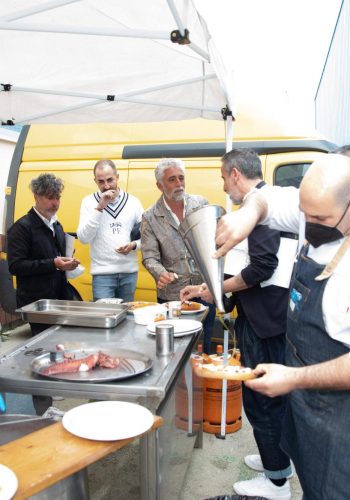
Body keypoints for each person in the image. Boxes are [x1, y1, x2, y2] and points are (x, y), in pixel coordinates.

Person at [214, 152, 350, 500]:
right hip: (304, 403)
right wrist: (248, 215)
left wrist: (293, 378)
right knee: (308, 476)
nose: (309, 224)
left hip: (338, 421)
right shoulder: (311, 210)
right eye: (306, 214)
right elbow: (266, 198)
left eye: (321, 217)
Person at [181, 149, 293, 500]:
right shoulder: (267, 202)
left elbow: (261, 268)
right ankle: (276, 462)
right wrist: (207, 289)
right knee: (268, 397)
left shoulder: (257, 207)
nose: (223, 185)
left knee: (261, 398)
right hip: (268, 316)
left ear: (233, 174)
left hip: (265, 321)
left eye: (222, 177)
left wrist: (215, 289)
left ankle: (276, 482)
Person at [7, 173, 79, 414]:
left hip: (57, 299)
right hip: (35, 302)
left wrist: (69, 264)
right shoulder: (22, 227)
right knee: (40, 356)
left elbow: (56, 258)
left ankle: (51, 390)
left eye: (57, 197)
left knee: (57, 348)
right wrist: (53, 264)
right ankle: (42, 409)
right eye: (50, 198)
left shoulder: (55, 224)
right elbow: (15, 266)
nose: (55, 202)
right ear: (37, 196)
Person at [141, 158, 216, 353]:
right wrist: (160, 273)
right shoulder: (150, 216)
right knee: (175, 350)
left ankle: (200, 382)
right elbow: (149, 256)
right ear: (159, 185)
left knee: (203, 345)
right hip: (173, 296)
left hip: (203, 289)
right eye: (172, 179)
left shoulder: (200, 204)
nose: (179, 184)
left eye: (181, 178)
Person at [77, 159, 144, 302]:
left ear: (117, 177)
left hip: (129, 273)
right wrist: (100, 208)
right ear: (95, 181)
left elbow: (148, 237)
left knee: (127, 319)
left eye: (110, 180)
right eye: (101, 181)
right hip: (102, 274)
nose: (106, 186)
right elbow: (83, 238)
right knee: (104, 318)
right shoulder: (88, 202)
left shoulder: (134, 202)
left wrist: (134, 246)